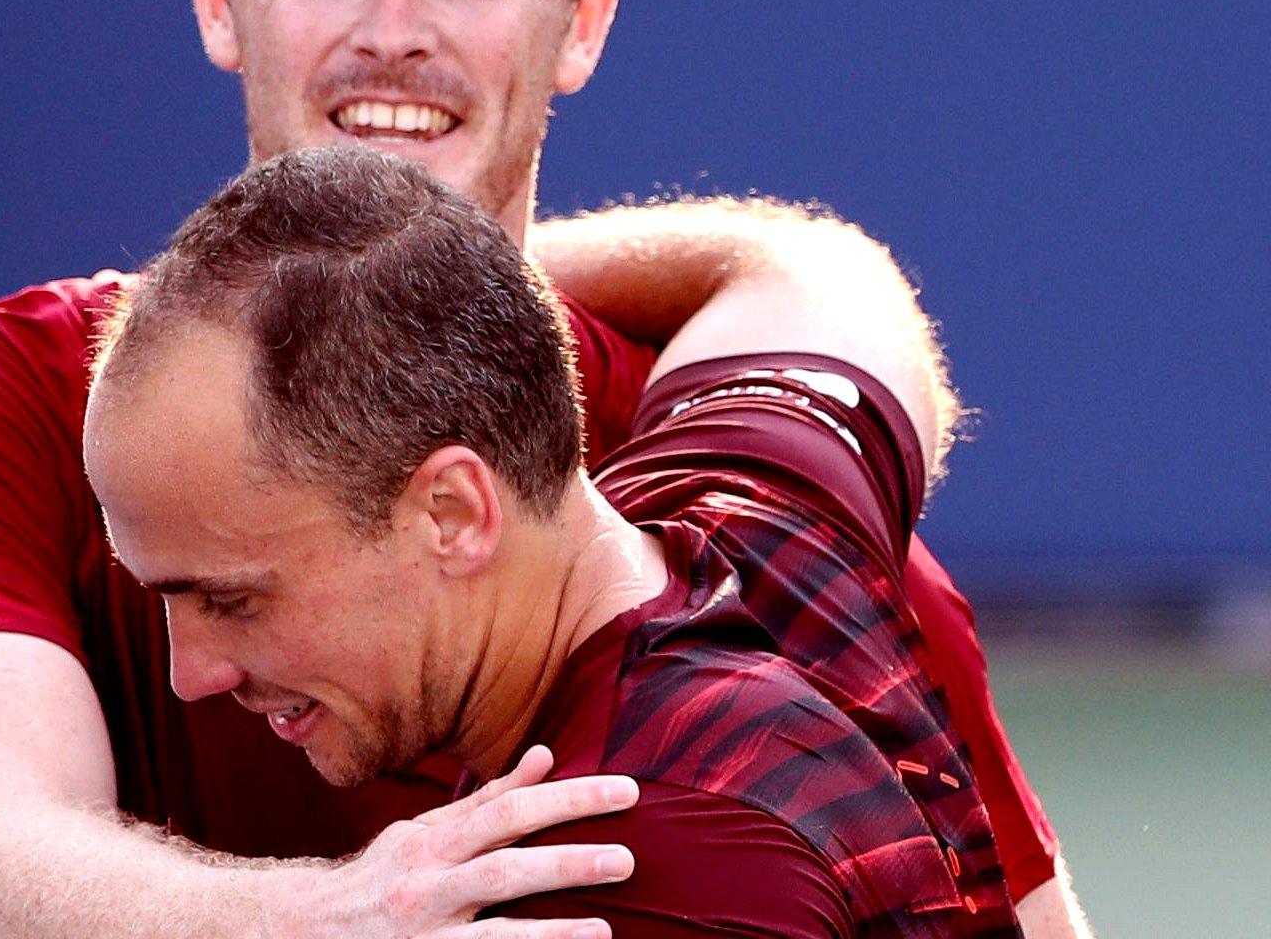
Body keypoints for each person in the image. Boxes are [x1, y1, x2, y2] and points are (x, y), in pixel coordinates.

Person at [0, 0, 1088, 934]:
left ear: (581, 18)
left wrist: (417, 291)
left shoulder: (766, 512)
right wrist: (334, 918)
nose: (392, 32)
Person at [85, 145, 1018, 936]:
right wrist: (414, 289)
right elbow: (815, 274)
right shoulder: (774, 506)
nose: (191, 672)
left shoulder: (617, 879)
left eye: (233, 599)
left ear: (452, 513)